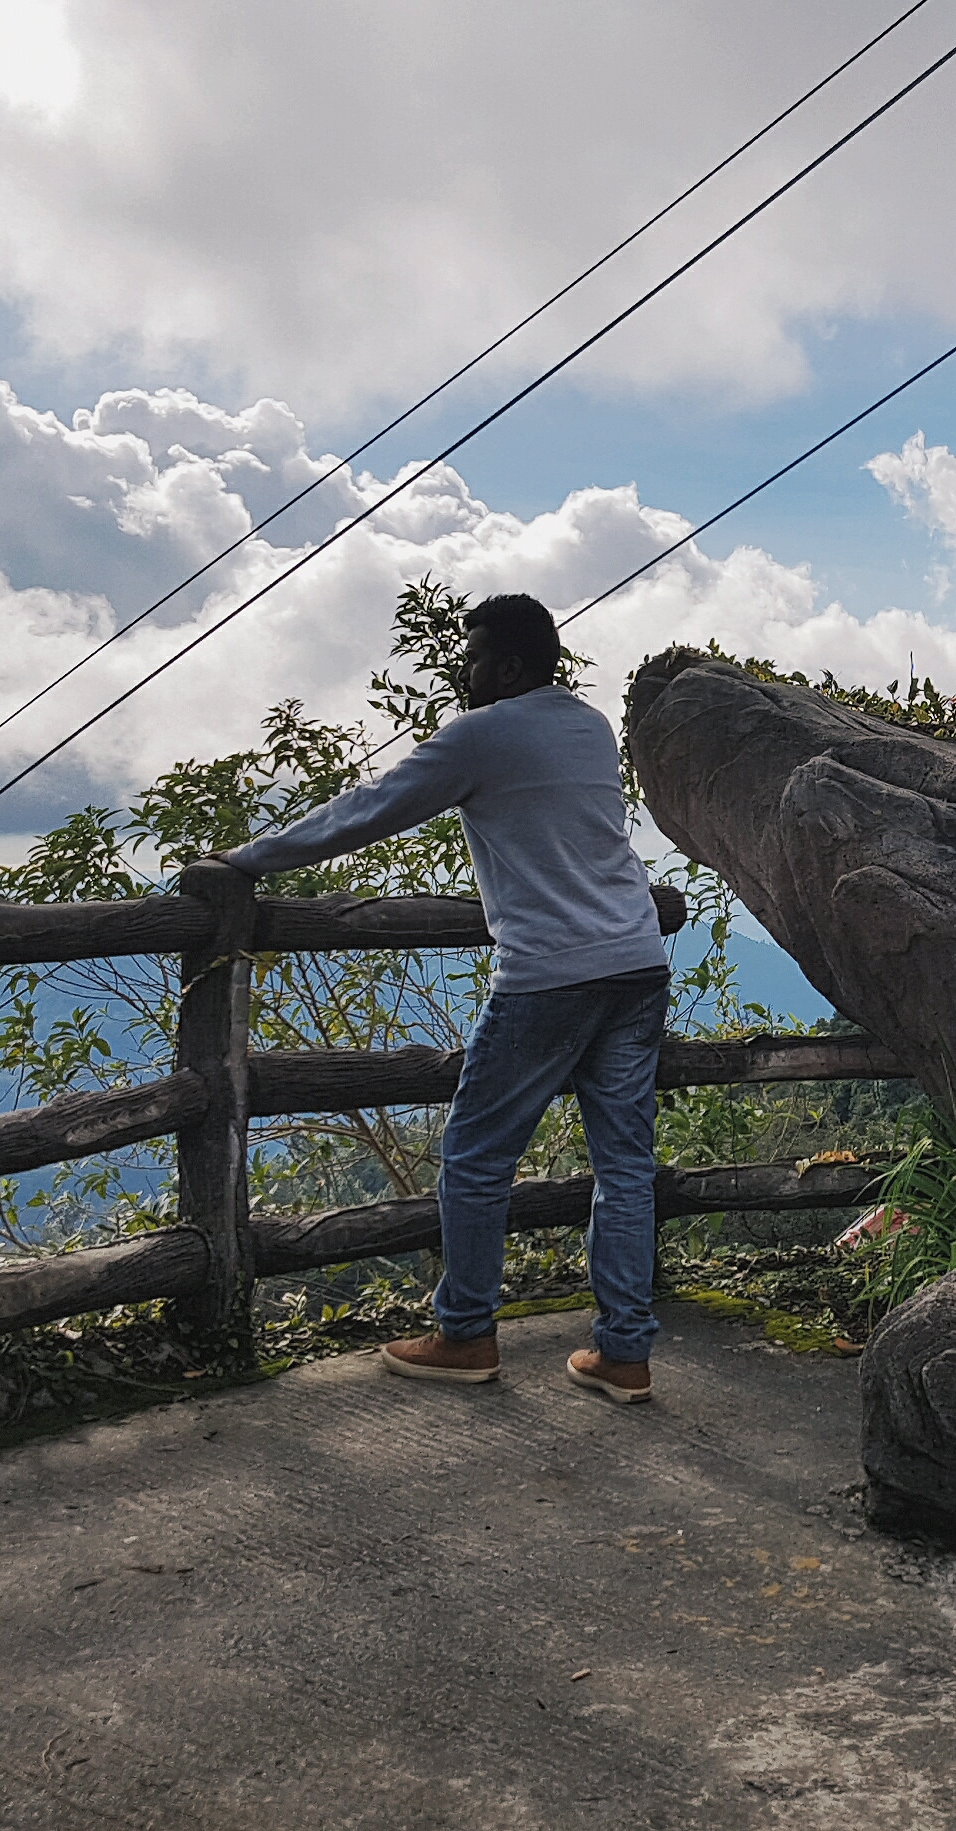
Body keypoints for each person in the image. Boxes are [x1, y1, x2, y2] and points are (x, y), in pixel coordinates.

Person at [181, 593, 670, 1403]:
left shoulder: (479, 734)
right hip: (635, 963)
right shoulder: (588, 725)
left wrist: (245, 858)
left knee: (477, 1159)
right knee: (624, 1169)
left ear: (509, 666)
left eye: (473, 657)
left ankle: (466, 1333)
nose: (461, 671)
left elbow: (368, 810)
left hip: (550, 972)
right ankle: (624, 1352)